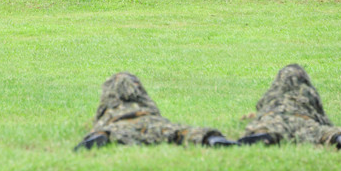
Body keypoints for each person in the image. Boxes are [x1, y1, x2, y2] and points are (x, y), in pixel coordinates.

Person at [74, 72, 236, 150]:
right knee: (176, 131)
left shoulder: (110, 107)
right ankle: (210, 139)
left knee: (109, 132)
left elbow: (98, 119)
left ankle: (99, 138)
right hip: (150, 121)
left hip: (117, 125)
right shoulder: (143, 102)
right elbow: (155, 111)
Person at [238, 64, 341, 149]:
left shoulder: (273, 93)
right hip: (305, 119)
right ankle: (340, 138)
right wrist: (327, 126)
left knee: (267, 129)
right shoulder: (309, 92)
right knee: (322, 133)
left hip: (275, 117)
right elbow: (322, 116)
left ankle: (263, 137)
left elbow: (261, 108)